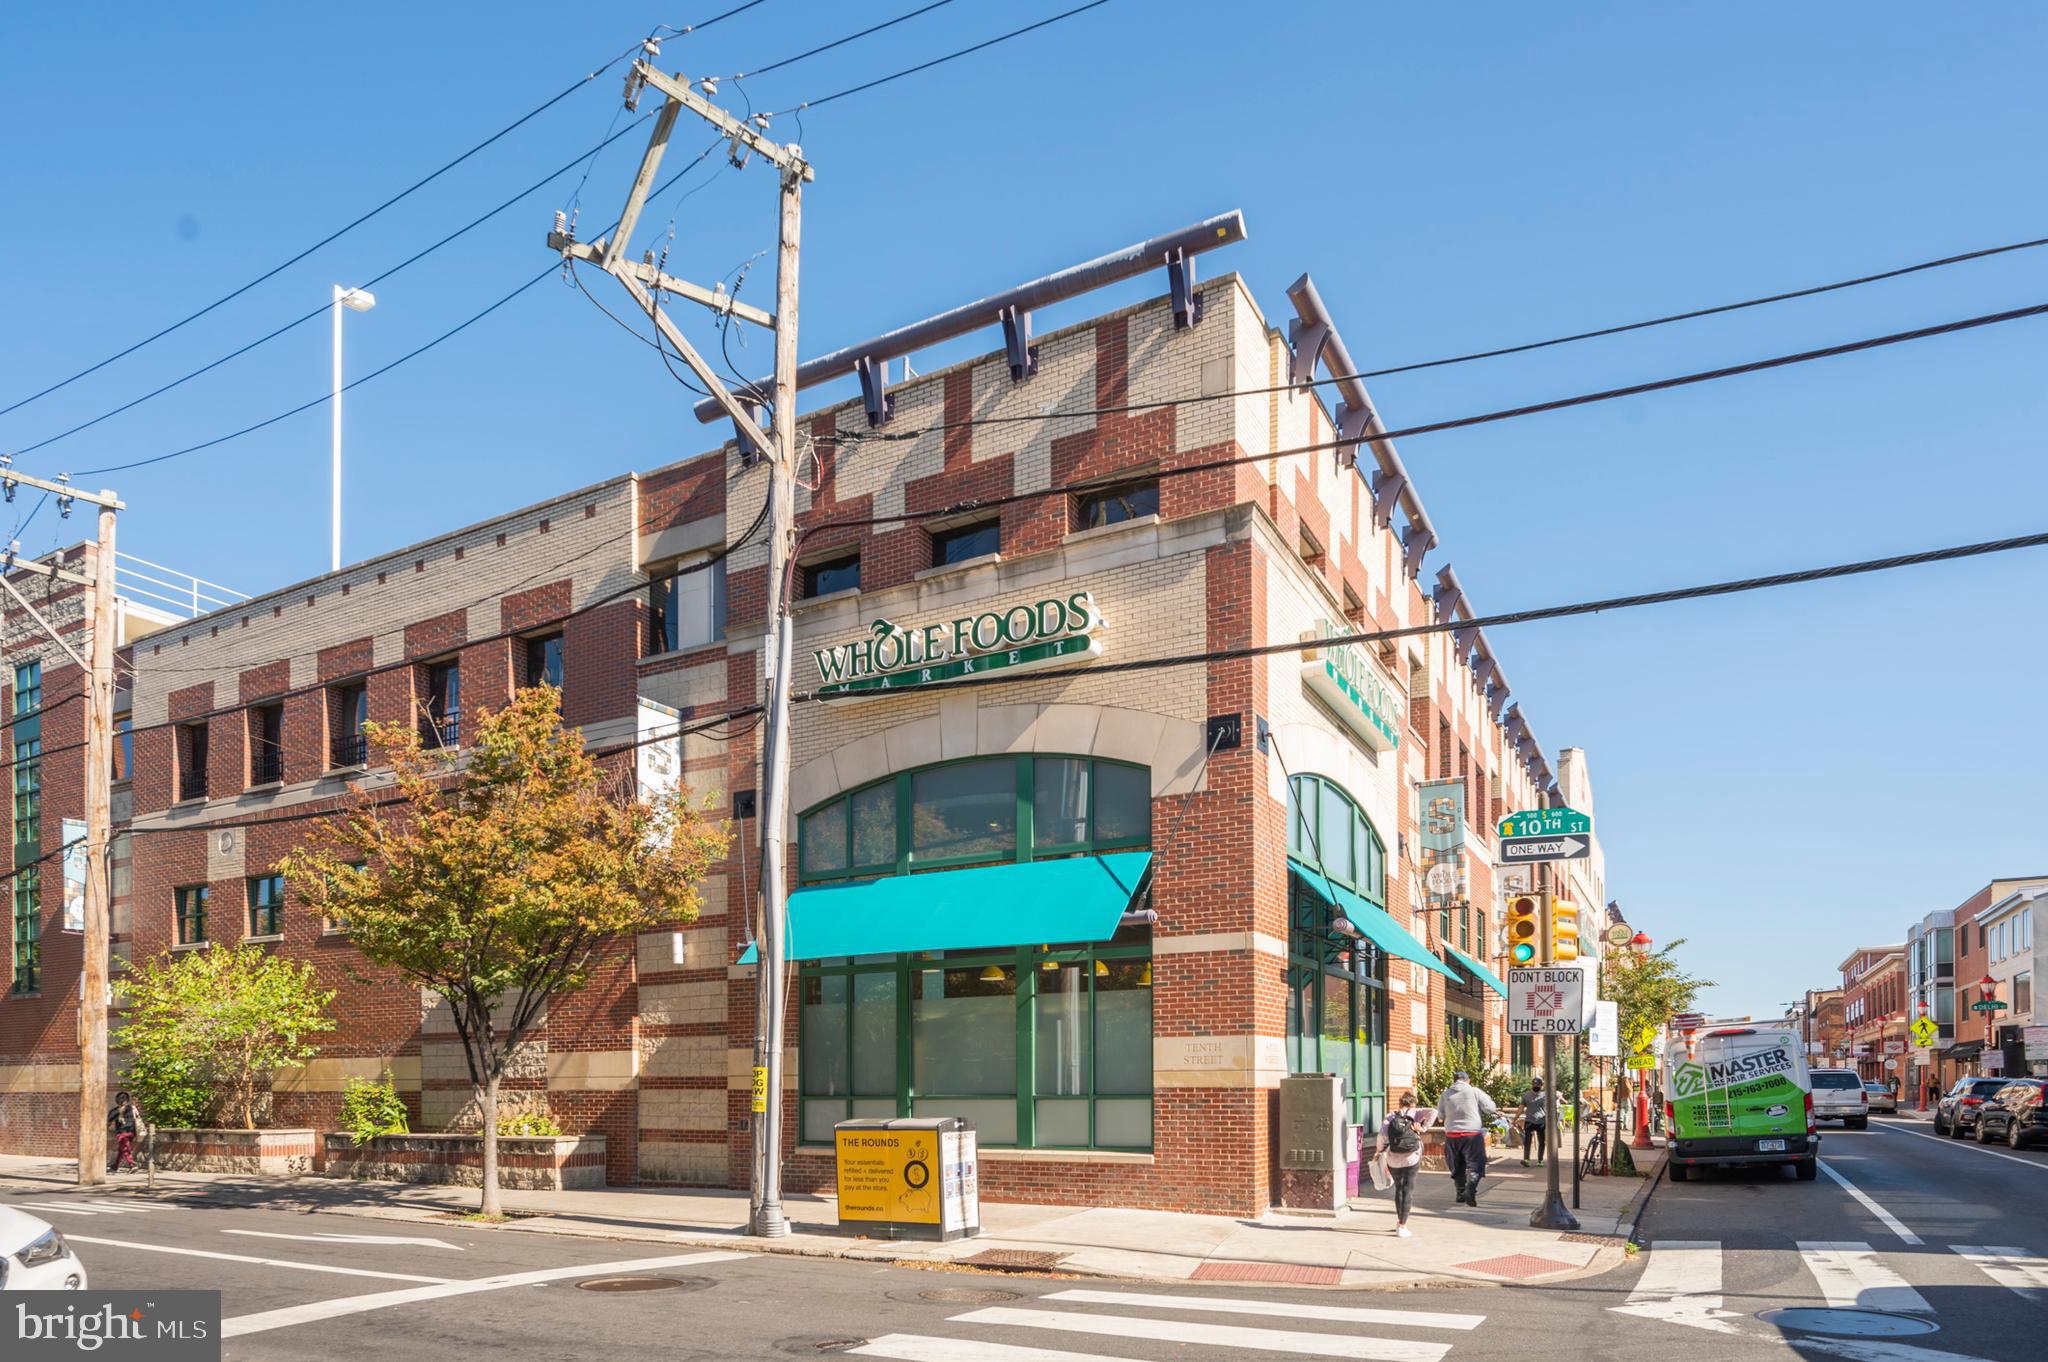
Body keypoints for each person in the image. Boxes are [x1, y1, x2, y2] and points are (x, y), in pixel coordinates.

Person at [1374, 1092, 1435, 1237]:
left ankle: (1400, 1222)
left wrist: (1378, 1151)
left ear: (1400, 1104)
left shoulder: (1390, 1116)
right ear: (1413, 1103)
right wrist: (1423, 1128)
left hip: (1393, 1158)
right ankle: (1402, 1225)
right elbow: (1434, 1111)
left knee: (1399, 1188)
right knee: (1408, 1190)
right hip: (1411, 1157)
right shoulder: (1416, 1113)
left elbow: (1381, 1137)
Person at [1439, 1070, 1498, 1207]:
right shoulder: (1474, 1091)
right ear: (1468, 1080)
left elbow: (1441, 1116)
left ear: (1454, 1080)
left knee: (1456, 1164)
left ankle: (1460, 1193)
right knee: (1476, 1163)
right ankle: (1470, 1188)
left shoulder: (1445, 1093)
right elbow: (1490, 1108)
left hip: (1452, 1135)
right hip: (1472, 1134)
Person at [107, 1091, 141, 1174]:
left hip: (122, 1133)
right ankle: (115, 1166)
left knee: (125, 1149)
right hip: (132, 1132)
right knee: (121, 1149)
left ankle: (132, 1165)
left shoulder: (115, 1111)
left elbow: (109, 1120)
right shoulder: (131, 1108)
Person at [1520, 1076, 1548, 1165]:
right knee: (1528, 1141)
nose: (1536, 1086)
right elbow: (1521, 1107)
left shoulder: (1545, 1096)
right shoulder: (1526, 1095)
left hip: (1541, 1121)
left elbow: (1548, 1108)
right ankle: (1527, 1159)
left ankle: (1540, 1160)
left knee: (1540, 1141)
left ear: (1541, 1085)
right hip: (1530, 1120)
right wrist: (1516, 1118)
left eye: (1538, 1084)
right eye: (1534, 1084)